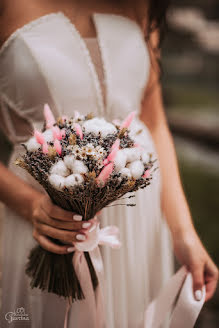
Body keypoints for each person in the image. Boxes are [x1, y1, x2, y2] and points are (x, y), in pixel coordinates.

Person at [0, 0, 218, 327]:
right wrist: (31, 205)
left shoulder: (141, 4)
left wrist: (183, 232)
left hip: (136, 222)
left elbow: (153, 120)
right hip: (42, 219)